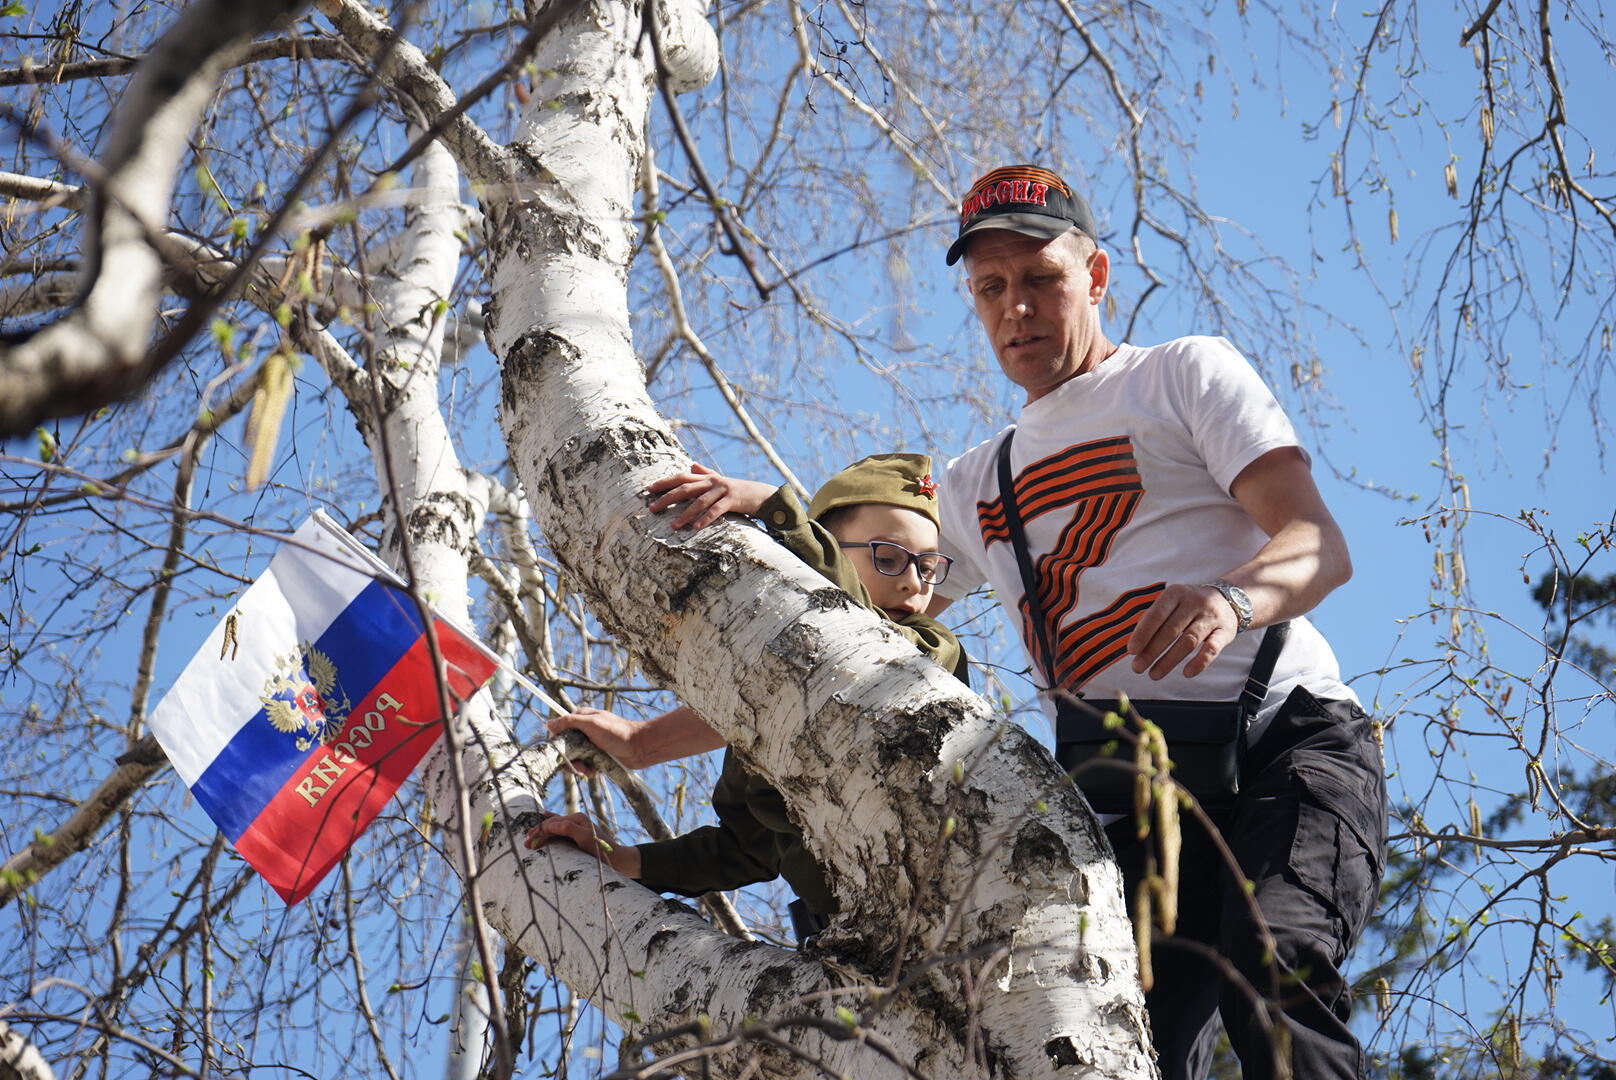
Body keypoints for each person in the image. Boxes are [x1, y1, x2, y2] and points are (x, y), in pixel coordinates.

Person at [927, 164, 1387, 1080]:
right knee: (1091, 1046)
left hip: (1286, 750)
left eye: (1041, 279)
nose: (1016, 307)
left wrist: (1231, 599)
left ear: (1094, 277)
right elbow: (856, 625)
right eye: (991, 288)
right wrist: (642, 742)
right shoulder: (972, 484)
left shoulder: (1181, 376)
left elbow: (1318, 544)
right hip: (1135, 816)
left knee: (1276, 969)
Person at [526, 454, 967, 943]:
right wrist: (621, 857)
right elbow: (745, 849)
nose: (913, 581)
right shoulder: (769, 724)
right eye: (887, 557)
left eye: (929, 567)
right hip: (857, 947)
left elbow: (866, 652)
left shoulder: (932, 647)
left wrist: (778, 513)